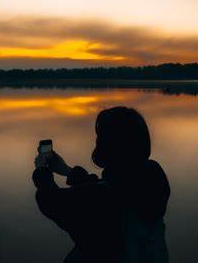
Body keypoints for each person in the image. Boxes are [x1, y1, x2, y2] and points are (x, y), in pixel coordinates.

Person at [32, 106, 170, 263]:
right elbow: (111, 188)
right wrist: (67, 171)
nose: (95, 141)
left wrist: (42, 172)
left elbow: (53, 202)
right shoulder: (151, 179)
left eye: (99, 137)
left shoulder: (100, 199)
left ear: (108, 146)